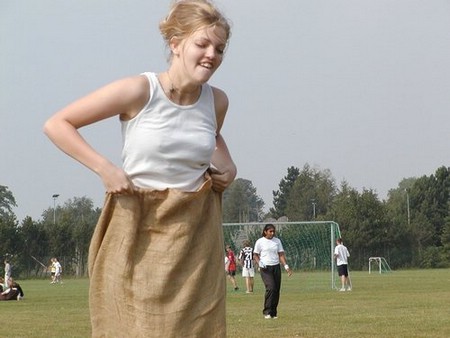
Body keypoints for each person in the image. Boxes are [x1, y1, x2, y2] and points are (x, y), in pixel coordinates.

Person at [43, 1, 235, 336]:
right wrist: (104, 168)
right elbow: (58, 124)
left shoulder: (217, 101)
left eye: (219, 48)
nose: (212, 55)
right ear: (175, 44)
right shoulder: (140, 91)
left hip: (195, 238)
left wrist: (229, 165)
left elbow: (212, 136)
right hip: (138, 231)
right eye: (202, 44)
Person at [253, 224, 293, 319]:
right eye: (270, 231)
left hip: (276, 267)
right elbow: (255, 254)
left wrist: (286, 267)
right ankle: (267, 311)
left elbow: (281, 254)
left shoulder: (277, 241)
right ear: (265, 231)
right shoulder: (260, 241)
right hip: (265, 268)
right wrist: (259, 263)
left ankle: (273, 313)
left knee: (276, 290)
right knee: (270, 287)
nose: (272, 233)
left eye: (273, 231)